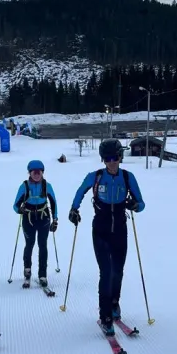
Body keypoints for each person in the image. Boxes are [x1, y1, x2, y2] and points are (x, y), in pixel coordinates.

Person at [68, 138, 145, 336]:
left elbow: (141, 203)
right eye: (108, 158)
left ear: (121, 157)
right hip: (101, 230)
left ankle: (114, 304)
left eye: (116, 157)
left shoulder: (128, 178)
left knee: (118, 271)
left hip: (120, 229)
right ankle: (105, 316)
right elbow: (79, 192)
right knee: (106, 272)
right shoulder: (95, 177)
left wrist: (134, 205)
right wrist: (73, 210)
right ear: (103, 159)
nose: (112, 162)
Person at [12, 159, 59, 288]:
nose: (37, 174)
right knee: (29, 244)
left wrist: (55, 220)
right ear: (30, 173)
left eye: (39, 172)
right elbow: (15, 204)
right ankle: (27, 271)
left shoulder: (47, 186)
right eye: (34, 172)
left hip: (44, 218)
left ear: (42, 173)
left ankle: (42, 274)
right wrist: (19, 209)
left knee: (43, 245)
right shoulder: (25, 186)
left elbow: (53, 203)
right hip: (29, 219)